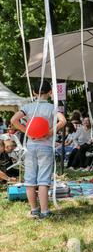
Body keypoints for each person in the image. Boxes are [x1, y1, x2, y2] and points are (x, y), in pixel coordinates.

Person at [11, 80, 67, 219]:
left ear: (34, 92)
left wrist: (28, 132)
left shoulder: (28, 107)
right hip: (46, 146)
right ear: (50, 92)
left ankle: (34, 210)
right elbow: (63, 121)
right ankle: (45, 211)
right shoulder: (51, 108)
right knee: (43, 180)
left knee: (30, 180)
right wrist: (50, 132)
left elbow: (13, 120)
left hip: (30, 146)